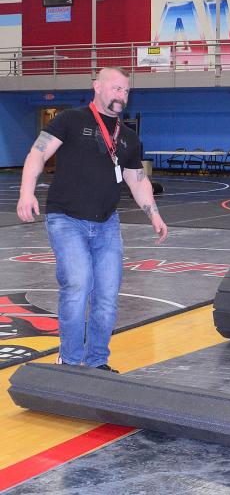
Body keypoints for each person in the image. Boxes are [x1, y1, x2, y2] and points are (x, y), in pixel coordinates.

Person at [16, 67, 168, 372]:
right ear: (97, 87)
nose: (121, 96)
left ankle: (97, 362)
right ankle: (70, 360)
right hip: (67, 220)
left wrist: (154, 214)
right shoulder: (69, 120)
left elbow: (137, 180)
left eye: (126, 91)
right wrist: (26, 193)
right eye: (115, 88)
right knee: (77, 285)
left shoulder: (127, 138)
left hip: (107, 224)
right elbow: (37, 153)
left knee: (107, 296)